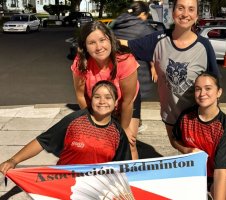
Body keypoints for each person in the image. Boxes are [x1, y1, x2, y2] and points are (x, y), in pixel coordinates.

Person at [119, 0, 221, 149]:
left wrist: (213, 118)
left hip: (198, 118)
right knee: (180, 147)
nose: (185, 14)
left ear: (197, 16)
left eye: (191, 9)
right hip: (171, 116)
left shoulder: (204, 46)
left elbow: (215, 83)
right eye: (181, 8)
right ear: (173, 13)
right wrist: (96, 41)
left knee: (201, 158)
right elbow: (126, 45)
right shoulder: (159, 40)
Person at [0, 80, 132, 175]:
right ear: (91, 100)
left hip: (96, 189)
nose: (102, 101)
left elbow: (126, 168)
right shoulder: (75, 120)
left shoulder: (117, 132)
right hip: (63, 183)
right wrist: (13, 160)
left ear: (115, 103)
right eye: (97, 97)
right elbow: (42, 141)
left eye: (108, 98)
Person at [71, 21, 140, 159]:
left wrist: (124, 128)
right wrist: (92, 123)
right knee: (99, 141)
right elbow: (80, 96)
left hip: (125, 102)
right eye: (92, 43)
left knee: (128, 143)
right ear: (85, 46)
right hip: (98, 103)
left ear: (110, 39)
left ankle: (133, 178)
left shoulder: (125, 60)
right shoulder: (81, 62)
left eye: (102, 40)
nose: (99, 47)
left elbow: (128, 101)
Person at [172, 72, 226, 200]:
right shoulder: (185, 117)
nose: (202, 93)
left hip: (224, 174)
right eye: (198, 89)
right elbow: (174, 140)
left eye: (208, 88)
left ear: (219, 92)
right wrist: (186, 150)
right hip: (194, 173)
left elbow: (221, 171)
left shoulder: (224, 125)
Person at [110, 0, 158, 90]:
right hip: (138, 76)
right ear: (143, 14)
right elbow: (153, 48)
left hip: (116, 73)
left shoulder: (116, 23)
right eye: (146, 15)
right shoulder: (143, 28)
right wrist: (153, 65)